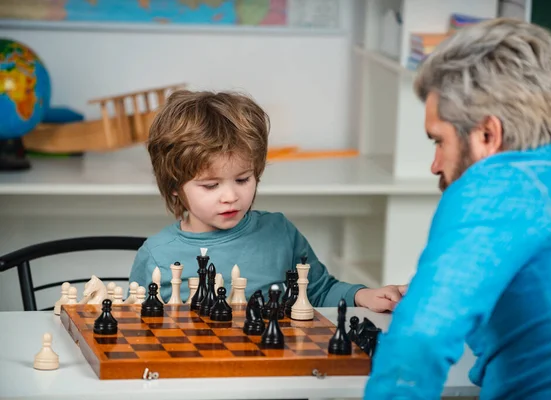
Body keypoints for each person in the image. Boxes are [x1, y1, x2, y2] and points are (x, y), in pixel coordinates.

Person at [365, 18, 551, 399]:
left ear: (487, 135)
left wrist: (428, 306)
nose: (435, 164)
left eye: (438, 142)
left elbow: (420, 341)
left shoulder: (496, 185)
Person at [129, 90, 405, 311]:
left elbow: (318, 291)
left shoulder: (279, 233)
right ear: (174, 186)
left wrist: (363, 295)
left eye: (243, 179)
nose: (231, 196)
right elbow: (136, 323)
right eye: (211, 185)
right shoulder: (157, 255)